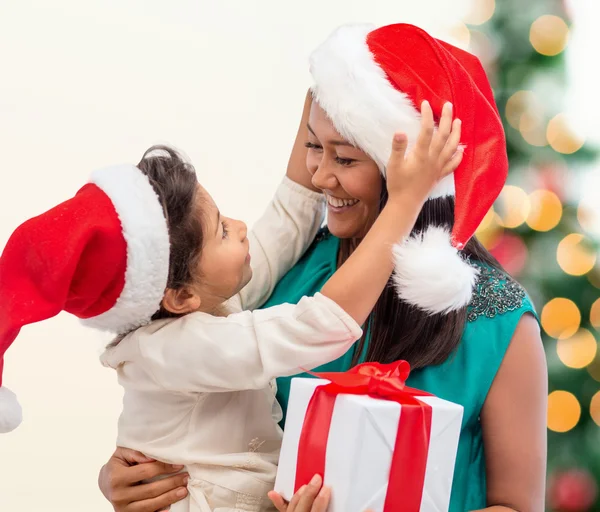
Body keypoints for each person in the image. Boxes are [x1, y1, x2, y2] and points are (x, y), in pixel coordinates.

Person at [98, 23, 547, 512]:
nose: (319, 174)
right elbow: (196, 416)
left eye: (346, 157)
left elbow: (518, 505)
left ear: (413, 176)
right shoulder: (292, 272)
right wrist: (135, 473)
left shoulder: (498, 319)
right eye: (314, 146)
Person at [0, 86, 460, 512]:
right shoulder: (176, 348)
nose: (240, 227)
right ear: (178, 296)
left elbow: (290, 212)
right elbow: (319, 325)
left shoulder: (199, 299)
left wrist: (326, 82)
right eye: (221, 229)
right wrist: (405, 201)